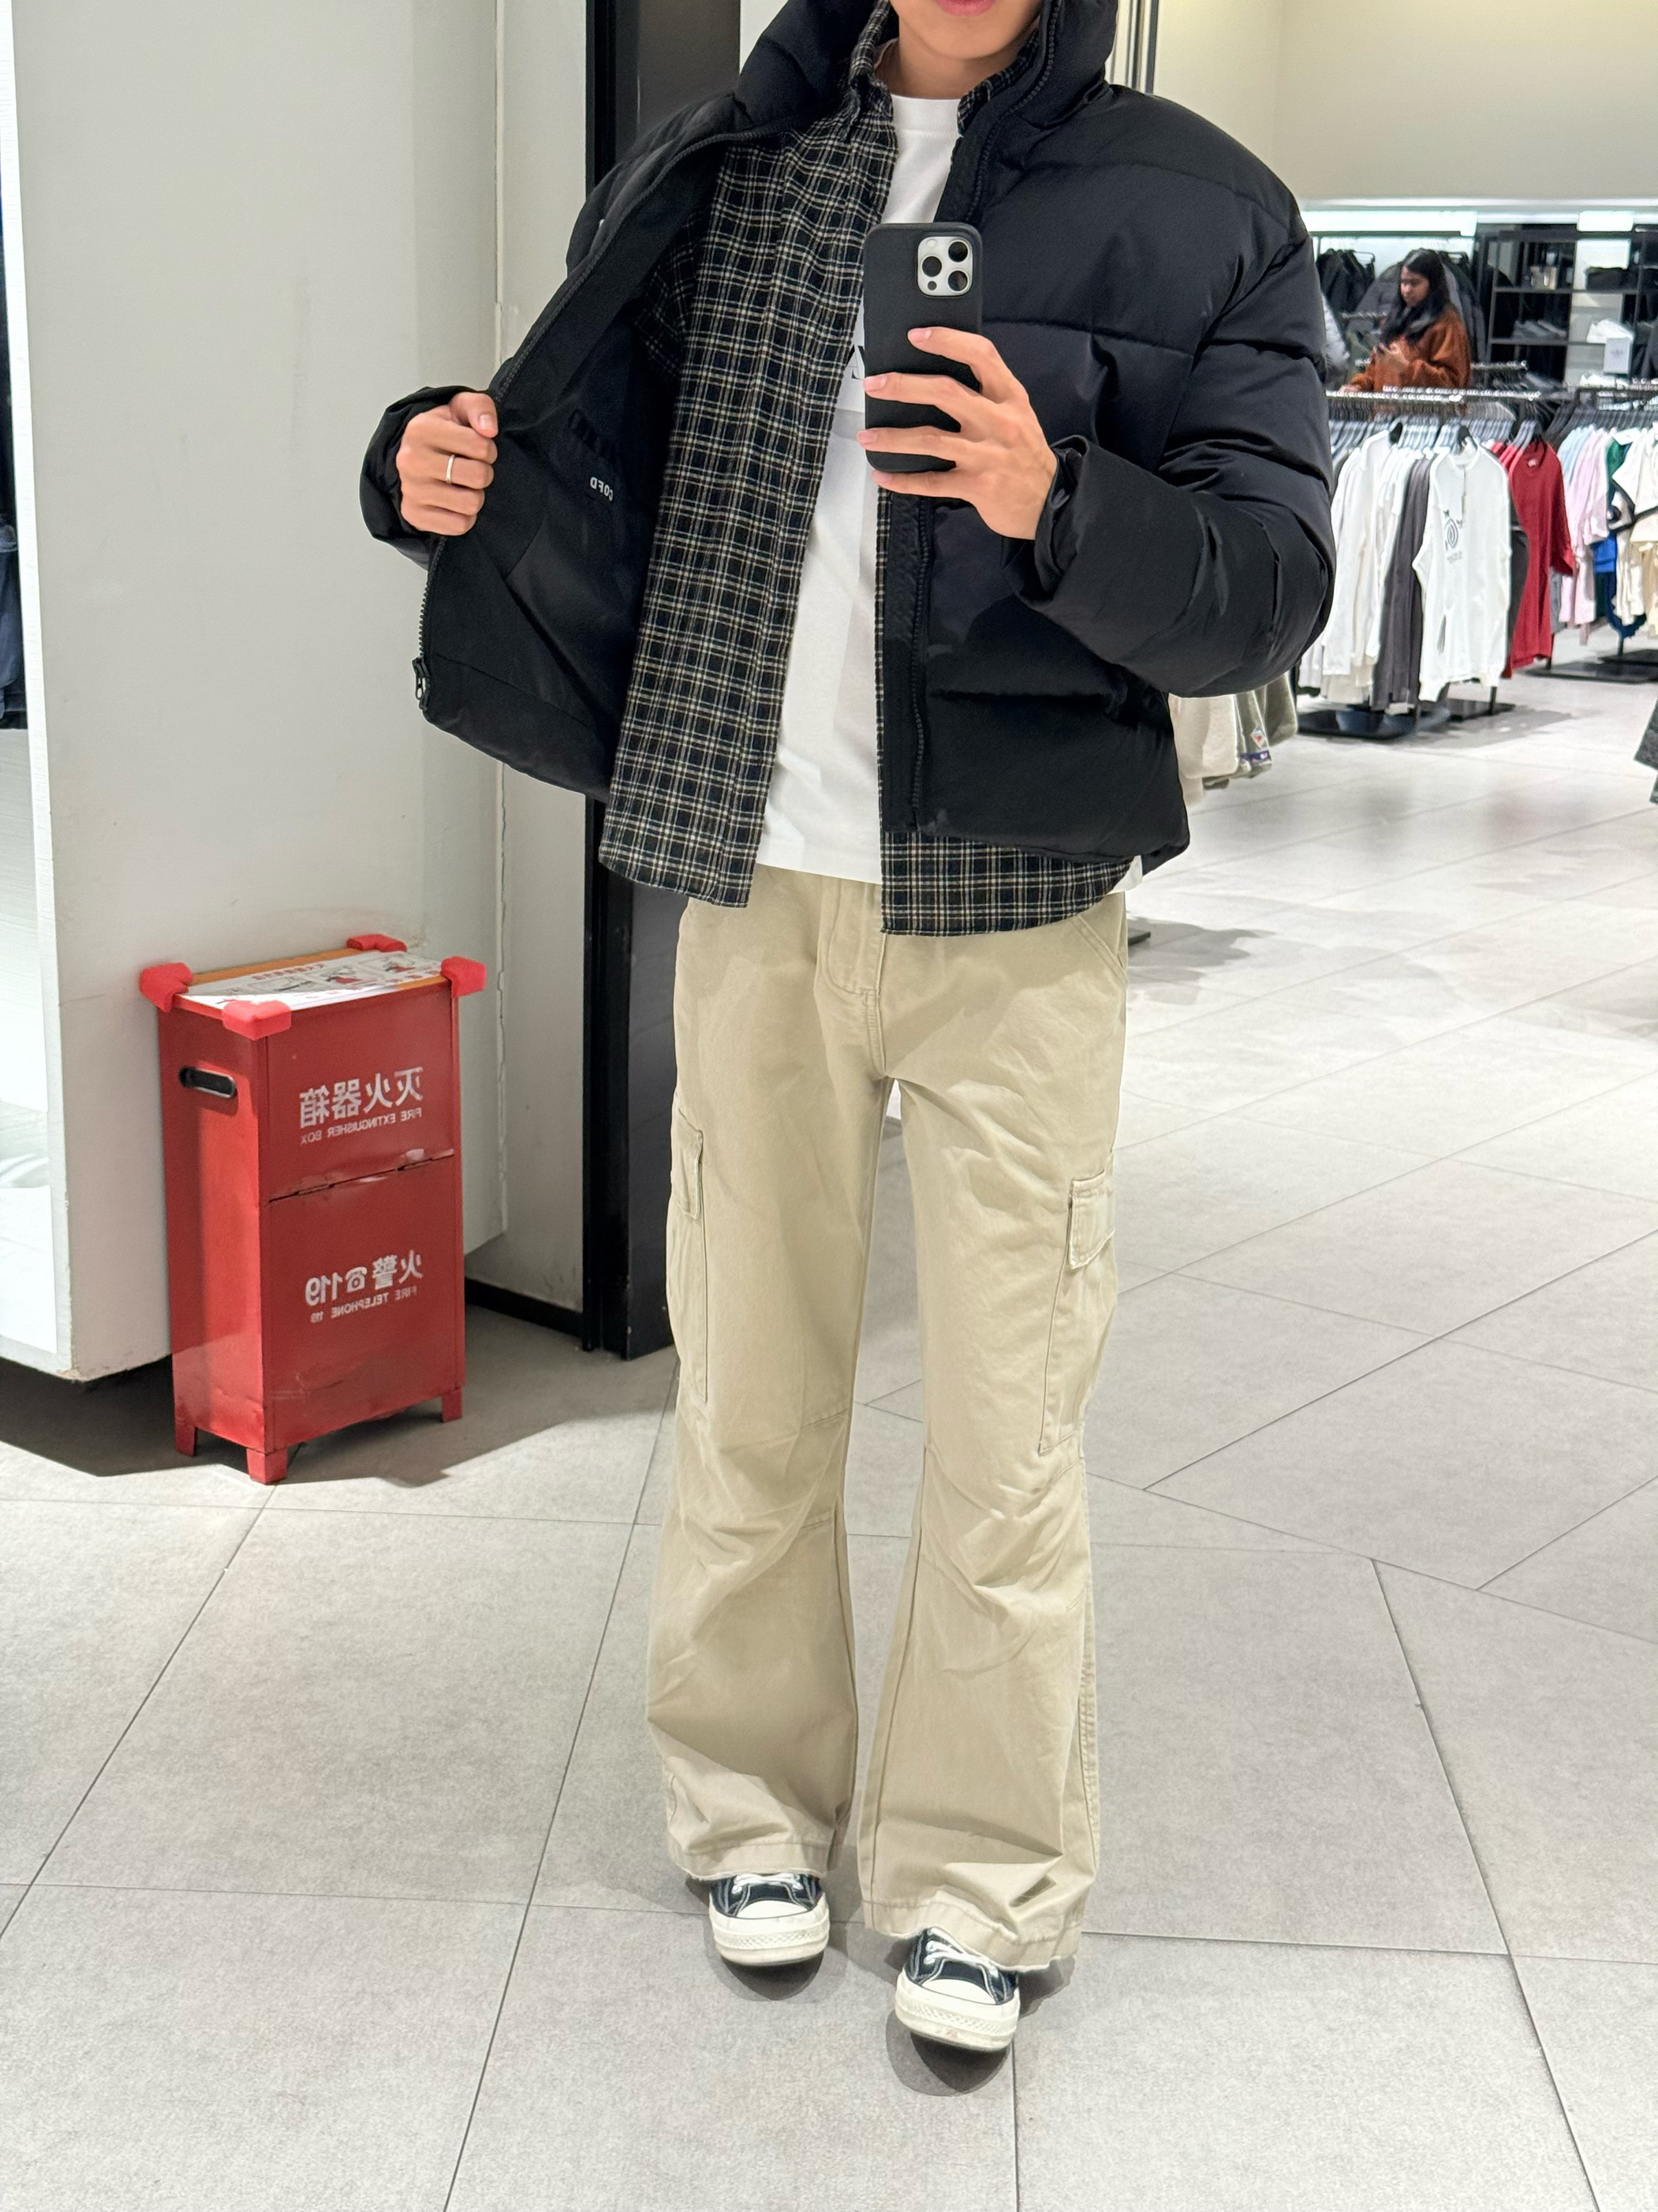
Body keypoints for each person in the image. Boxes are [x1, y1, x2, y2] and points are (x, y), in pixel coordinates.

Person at [361, 0, 1332, 2053]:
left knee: (1004, 1423)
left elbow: (1268, 590)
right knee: (749, 1392)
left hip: (1014, 904)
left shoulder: (1198, 205)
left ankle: (980, 1873)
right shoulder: (720, 163)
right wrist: (419, 466)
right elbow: (576, 452)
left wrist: (1055, 497)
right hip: (753, 883)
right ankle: (746, 1807)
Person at [1345, 248, 1471, 390]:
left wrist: (1407, 369)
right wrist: (1358, 386)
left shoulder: (1447, 323)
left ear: (1433, 284)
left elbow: (1453, 383)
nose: (1407, 290)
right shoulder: (1397, 319)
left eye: (1414, 283)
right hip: (1385, 405)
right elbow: (1375, 372)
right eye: (1403, 282)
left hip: (1423, 406)